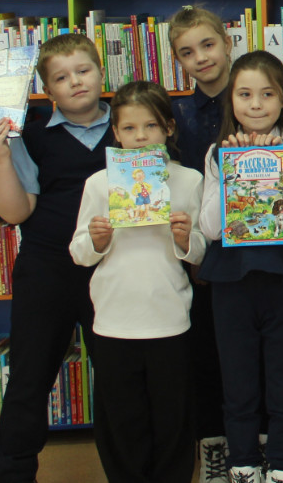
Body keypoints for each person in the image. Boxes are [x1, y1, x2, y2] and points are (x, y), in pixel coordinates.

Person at [0, 34, 114, 483]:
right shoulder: (31, 135)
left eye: (83, 70)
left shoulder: (129, 124)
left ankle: (131, 470)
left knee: (119, 379)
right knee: (29, 376)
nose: (75, 82)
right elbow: (16, 212)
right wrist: (1, 156)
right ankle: (12, 472)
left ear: (101, 72)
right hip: (48, 268)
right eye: (61, 77)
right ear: (46, 89)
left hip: (113, 269)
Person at [70, 81, 206, 483]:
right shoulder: (99, 184)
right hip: (114, 320)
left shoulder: (189, 180)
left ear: (169, 128)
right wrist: (97, 241)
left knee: (172, 417)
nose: (141, 136)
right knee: (122, 419)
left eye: (151, 126)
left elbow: (202, 251)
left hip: (168, 318)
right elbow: (78, 252)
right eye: (129, 128)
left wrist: (185, 239)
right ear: (116, 133)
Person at [198, 51, 283, 483]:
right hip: (232, 281)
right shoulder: (217, 152)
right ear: (231, 100)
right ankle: (243, 464)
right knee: (238, 382)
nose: (256, 104)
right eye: (245, 94)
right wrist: (238, 172)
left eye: (267, 94)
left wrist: (275, 169)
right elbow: (210, 227)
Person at [169, 5, 238, 482]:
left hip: (260, 252)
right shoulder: (178, 117)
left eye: (208, 45)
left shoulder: (256, 98)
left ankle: (260, 448)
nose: (201, 58)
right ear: (179, 61)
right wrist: (193, 252)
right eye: (188, 52)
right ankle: (213, 448)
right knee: (207, 358)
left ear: (227, 42)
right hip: (201, 257)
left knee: (254, 357)